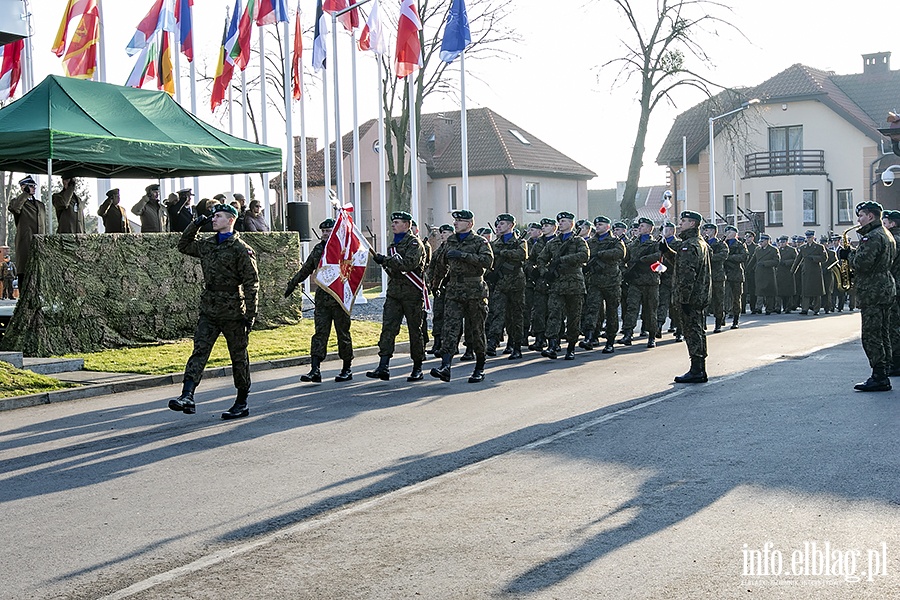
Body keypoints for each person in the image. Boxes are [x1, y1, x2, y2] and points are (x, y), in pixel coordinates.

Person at [168, 203, 259, 419]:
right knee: (200, 350)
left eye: (218, 216)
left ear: (230, 220)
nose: (213, 219)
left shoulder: (241, 249)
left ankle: (241, 401)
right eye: (213, 216)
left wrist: (250, 315)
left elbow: (251, 283)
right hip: (209, 308)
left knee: (238, 357)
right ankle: (187, 395)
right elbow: (183, 245)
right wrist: (195, 224)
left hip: (233, 311)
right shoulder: (208, 245)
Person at [285, 219, 354, 383]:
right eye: (323, 231)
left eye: (328, 231)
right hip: (323, 299)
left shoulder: (342, 249)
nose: (324, 234)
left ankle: (347, 368)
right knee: (319, 334)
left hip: (339, 298)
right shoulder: (318, 249)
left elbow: (350, 271)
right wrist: (293, 283)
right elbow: (307, 268)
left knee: (342, 334)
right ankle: (315, 369)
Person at [430, 209, 494, 383]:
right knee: (449, 329)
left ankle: (479, 367)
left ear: (470, 224)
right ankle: (445, 366)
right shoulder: (450, 241)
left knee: (476, 330)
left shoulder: (479, 241)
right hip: (454, 290)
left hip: (474, 290)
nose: (456, 223)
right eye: (455, 221)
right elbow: (440, 264)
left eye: (460, 221)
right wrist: (435, 284)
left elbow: (487, 262)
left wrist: (463, 255)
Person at [840, 202, 896, 391]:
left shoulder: (872, 237)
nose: (858, 220)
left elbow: (863, 264)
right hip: (885, 288)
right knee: (883, 332)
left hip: (873, 291)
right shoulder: (886, 234)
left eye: (861, 215)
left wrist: (848, 255)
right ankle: (884, 371)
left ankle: (879, 376)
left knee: (872, 335)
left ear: (870, 216)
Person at [368, 211, 428, 382]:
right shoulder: (393, 244)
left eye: (397, 222)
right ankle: (383, 365)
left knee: (415, 331)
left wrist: (385, 260)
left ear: (407, 225)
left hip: (412, 294)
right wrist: (385, 263)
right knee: (388, 328)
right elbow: (394, 269)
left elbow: (409, 265)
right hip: (394, 293)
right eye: (392, 222)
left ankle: (417, 367)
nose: (393, 225)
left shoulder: (414, 244)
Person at [661, 210, 711, 383]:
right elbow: (683, 263)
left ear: (693, 224)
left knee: (692, 331)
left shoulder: (689, 244)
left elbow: (687, 274)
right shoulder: (698, 242)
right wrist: (667, 252)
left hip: (690, 297)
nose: (680, 224)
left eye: (684, 221)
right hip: (697, 296)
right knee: (696, 330)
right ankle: (698, 368)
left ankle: (697, 369)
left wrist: (684, 300)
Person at [539, 211, 590, 360]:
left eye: (564, 221)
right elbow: (541, 258)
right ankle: (552, 345)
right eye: (559, 221)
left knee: (574, 317)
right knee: (554, 314)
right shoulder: (552, 243)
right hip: (557, 284)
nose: (560, 223)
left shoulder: (579, 241)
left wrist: (563, 260)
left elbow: (584, 256)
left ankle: (571, 347)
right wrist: (545, 272)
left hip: (575, 284)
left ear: (571, 224)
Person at [486, 213, 527, 359]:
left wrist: (502, 252)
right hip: (499, 284)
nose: (498, 226)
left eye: (502, 223)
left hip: (516, 283)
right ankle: (492, 341)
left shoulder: (520, 242)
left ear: (510, 225)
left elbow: (521, 255)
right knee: (497, 312)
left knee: (515, 316)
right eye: (498, 223)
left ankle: (516, 345)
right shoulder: (494, 244)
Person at [582, 215, 626, 353]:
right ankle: (589, 336)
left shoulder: (614, 241)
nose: (598, 226)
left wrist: (601, 255)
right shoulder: (590, 242)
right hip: (595, 281)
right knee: (592, 309)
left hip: (611, 281)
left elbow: (620, 253)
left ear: (608, 226)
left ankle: (610, 341)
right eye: (597, 224)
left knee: (612, 312)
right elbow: (585, 256)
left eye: (601, 224)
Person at [620, 217, 660, 347]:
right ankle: (628, 334)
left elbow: (659, 257)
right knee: (631, 308)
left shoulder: (656, 245)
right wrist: (625, 272)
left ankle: (652, 336)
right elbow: (623, 259)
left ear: (649, 229)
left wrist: (644, 260)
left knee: (650, 310)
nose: (640, 228)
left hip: (650, 282)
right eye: (640, 226)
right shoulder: (632, 245)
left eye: (643, 226)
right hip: (635, 282)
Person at [8, 175, 46, 290]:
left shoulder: (40, 204)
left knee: (37, 273)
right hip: (25, 241)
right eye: (31, 186)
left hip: (39, 243)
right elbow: (15, 209)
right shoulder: (17, 202)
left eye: (34, 186)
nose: (34, 188)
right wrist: (25, 194)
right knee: (24, 272)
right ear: (23, 187)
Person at [527, 218, 557, 352]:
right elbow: (530, 260)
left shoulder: (560, 242)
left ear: (554, 228)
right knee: (539, 311)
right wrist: (531, 270)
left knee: (554, 311)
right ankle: (539, 339)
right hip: (540, 282)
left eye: (547, 226)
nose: (543, 228)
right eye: (543, 226)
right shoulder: (537, 243)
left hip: (556, 282)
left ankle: (553, 340)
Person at [427, 224, 454, 355]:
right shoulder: (439, 250)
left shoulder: (453, 248)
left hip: (451, 287)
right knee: (438, 314)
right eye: (442, 233)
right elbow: (433, 267)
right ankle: (437, 342)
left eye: (446, 233)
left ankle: (448, 344)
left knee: (450, 317)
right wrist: (431, 283)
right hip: (439, 288)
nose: (443, 235)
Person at [791, 230, 827, 315]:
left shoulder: (819, 247)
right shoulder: (803, 248)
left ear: (813, 237)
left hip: (815, 272)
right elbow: (798, 260)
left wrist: (814, 258)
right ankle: (805, 308)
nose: (809, 239)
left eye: (810, 237)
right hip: (806, 272)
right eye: (807, 238)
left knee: (816, 292)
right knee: (805, 292)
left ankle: (816, 309)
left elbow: (824, 258)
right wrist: (793, 270)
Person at [722, 225, 747, 329]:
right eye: (727, 232)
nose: (728, 233)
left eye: (730, 232)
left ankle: (735, 319)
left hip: (736, 274)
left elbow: (744, 256)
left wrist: (729, 257)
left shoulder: (740, 245)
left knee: (736, 298)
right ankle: (722, 317)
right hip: (724, 274)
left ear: (735, 234)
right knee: (723, 297)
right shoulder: (722, 243)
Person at [748, 233, 778, 314]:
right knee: (759, 291)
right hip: (759, 273)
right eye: (760, 241)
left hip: (769, 273)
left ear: (767, 241)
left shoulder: (773, 250)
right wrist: (747, 269)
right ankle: (759, 308)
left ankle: (769, 308)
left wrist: (765, 263)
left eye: (763, 241)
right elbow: (753, 260)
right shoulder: (758, 250)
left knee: (769, 292)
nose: (761, 243)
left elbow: (776, 261)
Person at [775, 235, 797, 314]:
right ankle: (778, 307)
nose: (782, 244)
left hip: (788, 272)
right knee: (779, 292)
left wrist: (787, 262)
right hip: (779, 273)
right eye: (780, 242)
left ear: (787, 242)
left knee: (788, 292)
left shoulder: (792, 250)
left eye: (783, 242)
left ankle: (788, 307)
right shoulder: (777, 250)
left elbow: (796, 260)